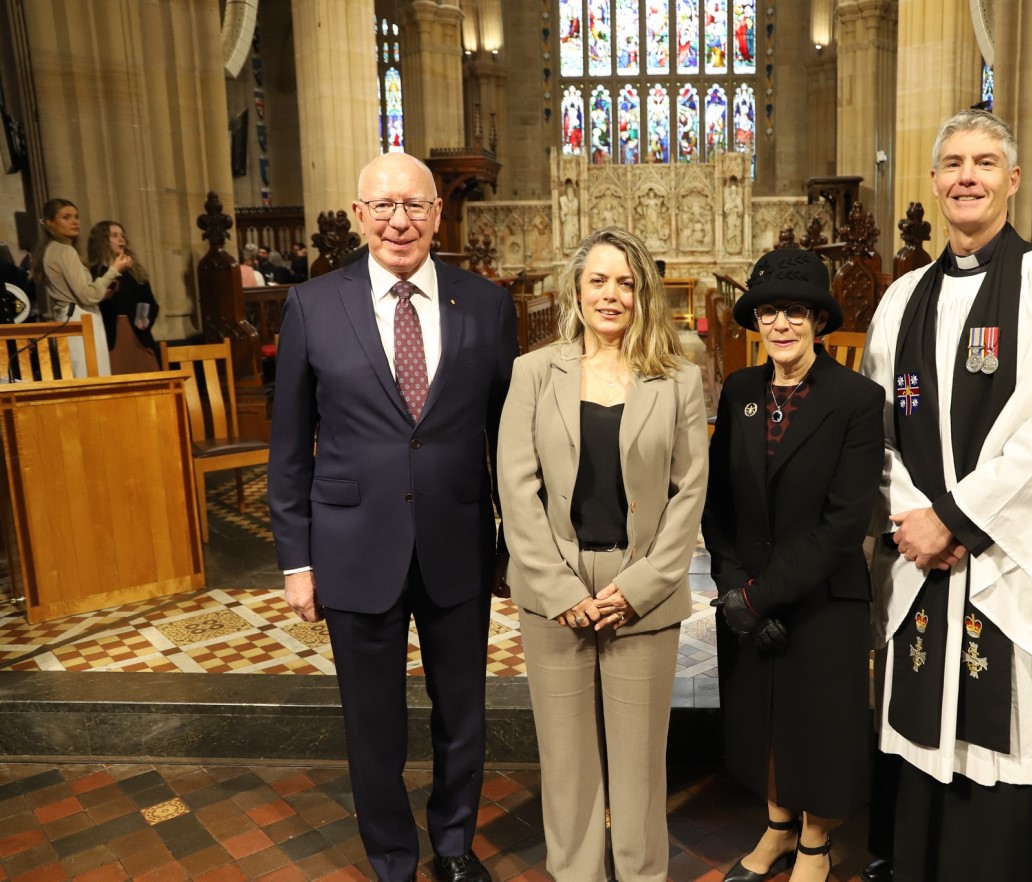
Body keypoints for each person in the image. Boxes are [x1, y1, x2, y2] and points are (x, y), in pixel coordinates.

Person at [860, 109, 1032, 882]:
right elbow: (875, 428)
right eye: (952, 164)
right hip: (924, 554)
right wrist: (914, 519)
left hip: (1010, 563)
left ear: (1012, 179)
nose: (966, 176)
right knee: (923, 724)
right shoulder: (901, 299)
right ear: (935, 184)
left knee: (1007, 736)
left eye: (983, 162)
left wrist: (957, 520)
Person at [268, 151, 518, 882]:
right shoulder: (314, 306)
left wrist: (513, 543)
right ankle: (390, 857)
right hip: (352, 546)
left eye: (414, 206)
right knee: (371, 725)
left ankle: (453, 845)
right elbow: (289, 448)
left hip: (458, 542)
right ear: (359, 216)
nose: (399, 222)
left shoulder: (485, 304)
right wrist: (296, 560)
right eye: (383, 207)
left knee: (462, 714)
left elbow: (507, 439)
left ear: (439, 214)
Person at [497, 227, 707, 882]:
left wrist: (641, 585)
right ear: (577, 289)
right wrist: (558, 590)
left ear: (642, 293)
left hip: (639, 585)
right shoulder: (534, 372)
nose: (611, 295)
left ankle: (642, 874)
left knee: (641, 766)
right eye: (598, 280)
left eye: (625, 282)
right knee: (566, 764)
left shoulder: (678, 378)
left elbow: (688, 491)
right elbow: (516, 487)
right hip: (554, 585)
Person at [703, 248, 887, 882]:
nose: (782, 324)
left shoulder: (857, 399)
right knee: (762, 715)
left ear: (818, 320)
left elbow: (843, 527)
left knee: (818, 721)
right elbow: (717, 505)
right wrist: (734, 591)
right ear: (755, 319)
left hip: (822, 595)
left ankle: (815, 843)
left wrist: (757, 601)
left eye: (797, 312)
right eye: (770, 311)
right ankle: (779, 827)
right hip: (749, 593)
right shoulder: (739, 391)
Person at [29, 198, 129, 377]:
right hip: (80, 319)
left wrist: (102, 294)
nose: (74, 222)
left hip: (71, 316)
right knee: (91, 377)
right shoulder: (64, 251)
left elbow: (78, 293)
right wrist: (114, 270)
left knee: (81, 375)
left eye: (76, 216)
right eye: (66, 217)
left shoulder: (51, 249)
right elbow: (87, 296)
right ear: (50, 223)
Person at [88, 220, 160, 372]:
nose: (121, 239)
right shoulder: (93, 273)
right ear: (102, 240)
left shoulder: (134, 271)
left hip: (138, 337)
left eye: (122, 235)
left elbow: (150, 302)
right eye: (114, 235)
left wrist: (145, 318)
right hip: (110, 338)